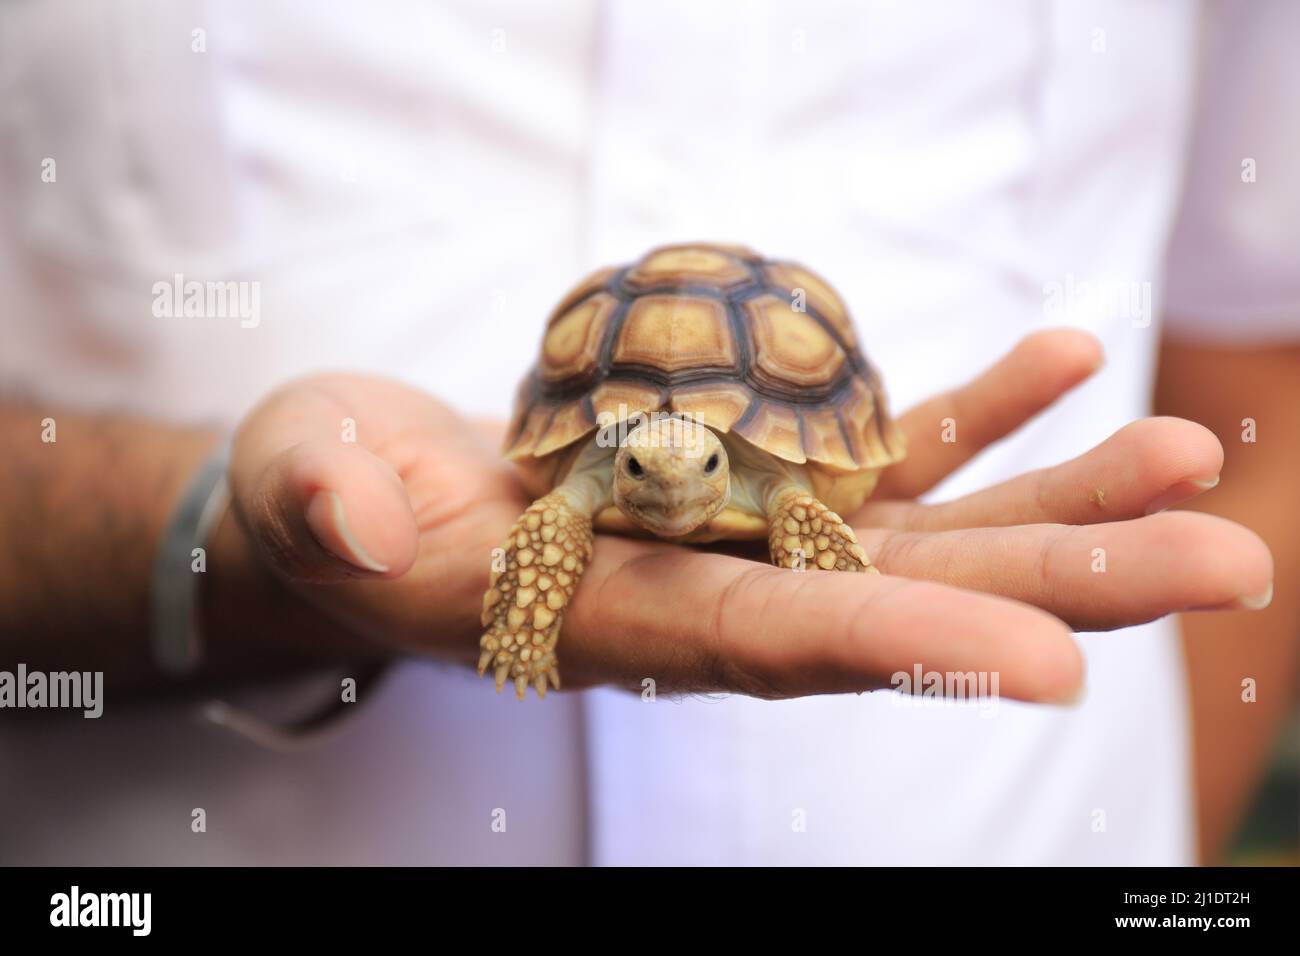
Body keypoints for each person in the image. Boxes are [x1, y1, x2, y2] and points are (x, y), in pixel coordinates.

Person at [0, 0, 1294, 865]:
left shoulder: (781, 487)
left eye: (685, 466)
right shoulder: (581, 482)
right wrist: (226, 548)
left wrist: (1172, 852)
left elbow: (1267, 368)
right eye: (636, 464)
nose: (668, 481)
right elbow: (555, 507)